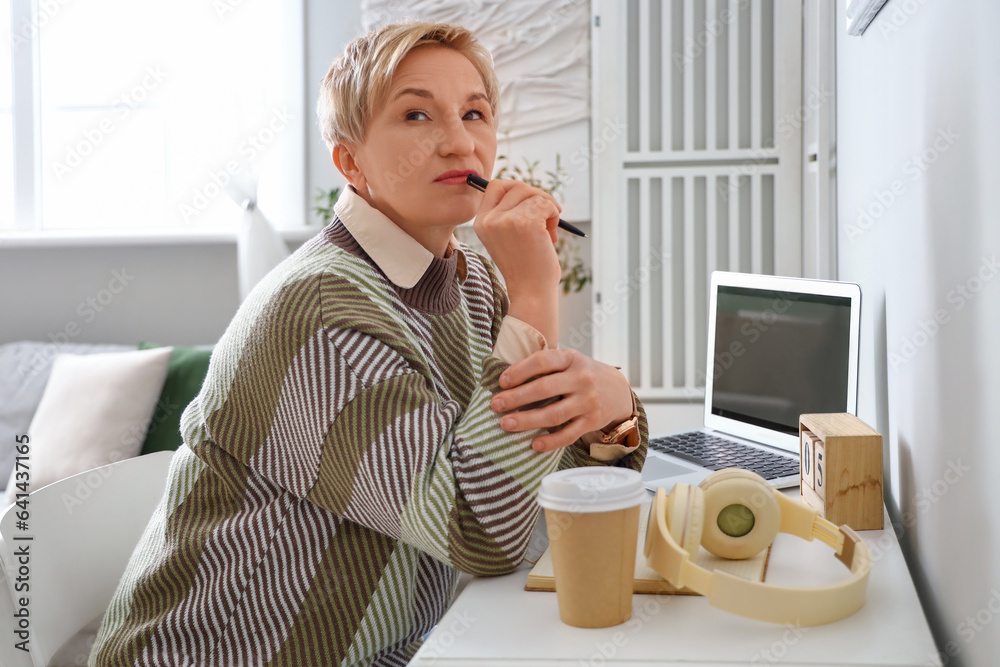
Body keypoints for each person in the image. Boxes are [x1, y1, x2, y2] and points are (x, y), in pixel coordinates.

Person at [90, 20, 647, 666]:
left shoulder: (466, 282)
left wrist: (616, 411)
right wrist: (534, 292)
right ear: (349, 161)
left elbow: (532, 496)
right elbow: (482, 528)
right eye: (416, 115)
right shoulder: (323, 310)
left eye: (475, 113)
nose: (459, 141)